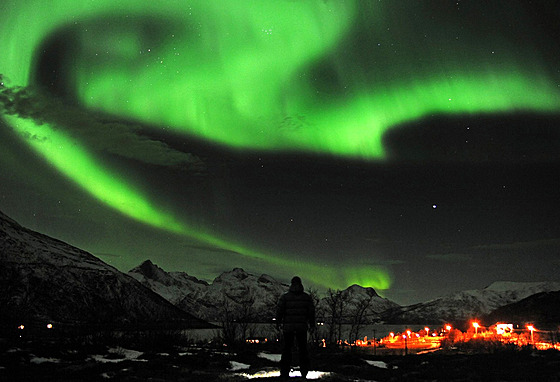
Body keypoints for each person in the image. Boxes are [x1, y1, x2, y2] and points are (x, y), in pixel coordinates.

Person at [276, 276, 315, 379]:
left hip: (288, 328)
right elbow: (311, 313)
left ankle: (284, 373)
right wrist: (312, 325)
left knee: (287, 350)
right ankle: (304, 373)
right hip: (302, 328)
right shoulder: (306, 298)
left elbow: (279, 312)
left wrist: (278, 323)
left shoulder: (285, 297)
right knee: (303, 350)